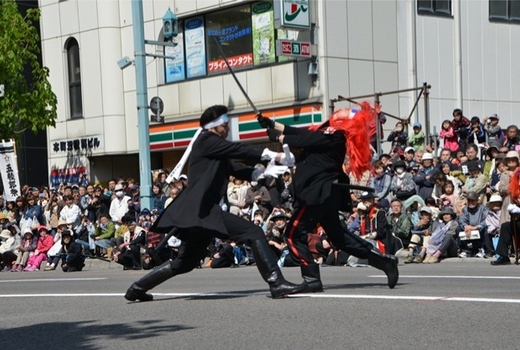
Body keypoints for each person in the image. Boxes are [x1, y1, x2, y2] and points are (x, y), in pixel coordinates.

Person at [125, 105, 305, 302]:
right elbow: (238, 149)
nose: (227, 128)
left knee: (184, 263)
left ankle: (137, 288)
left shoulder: (212, 145)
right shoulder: (206, 140)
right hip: (203, 211)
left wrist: (262, 172)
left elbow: (233, 168)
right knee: (253, 232)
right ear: (215, 125)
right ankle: (276, 283)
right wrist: (274, 155)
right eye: (225, 124)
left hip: (200, 213)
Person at [257, 102, 399, 292]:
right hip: (325, 194)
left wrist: (280, 136)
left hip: (318, 194)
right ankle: (384, 261)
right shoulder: (328, 132)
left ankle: (311, 278)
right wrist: (273, 124)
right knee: (340, 238)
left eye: (345, 112)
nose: (340, 111)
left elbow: (305, 140)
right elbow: (303, 134)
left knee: (292, 234)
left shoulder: (336, 135)